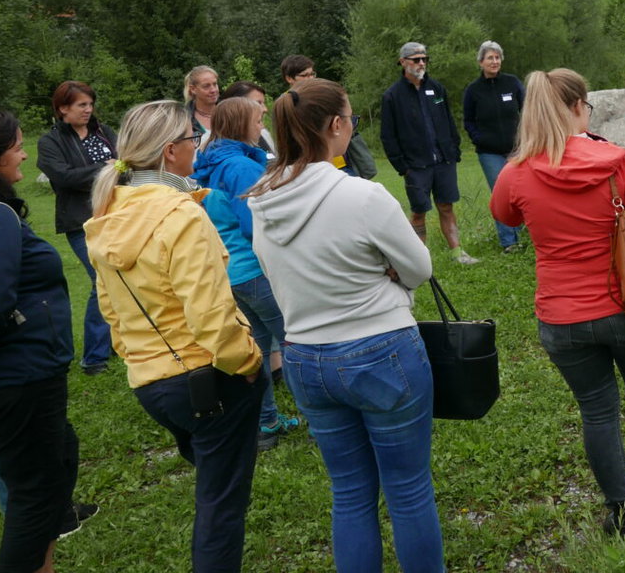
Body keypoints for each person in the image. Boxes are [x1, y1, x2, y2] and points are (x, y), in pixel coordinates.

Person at [248, 79, 443, 573]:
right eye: (351, 118)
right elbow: (419, 267)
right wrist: (388, 272)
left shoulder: (261, 201)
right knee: (408, 488)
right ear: (336, 126)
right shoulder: (363, 195)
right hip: (381, 349)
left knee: (351, 493)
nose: (352, 126)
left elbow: (273, 272)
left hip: (305, 357)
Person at [490, 69, 625, 539]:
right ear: (580, 107)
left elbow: (504, 215)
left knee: (597, 413)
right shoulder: (616, 160)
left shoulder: (516, 172)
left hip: (563, 318)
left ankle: (620, 516)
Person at [85, 101, 264, 573]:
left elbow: (111, 310)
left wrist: (138, 362)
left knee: (213, 488)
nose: (197, 146)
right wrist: (248, 364)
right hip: (209, 376)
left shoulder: (106, 216)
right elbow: (210, 314)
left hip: (152, 383)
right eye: (192, 139)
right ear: (170, 152)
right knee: (221, 508)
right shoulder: (181, 216)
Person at [0, 107, 83, 573]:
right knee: (33, 499)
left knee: (60, 457)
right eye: (16, 146)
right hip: (20, 377)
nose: (24, 152)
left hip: (24, 374)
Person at [193, 98, 301, 451]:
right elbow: (256, 223)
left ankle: (266, 424)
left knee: (256, 348)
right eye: (258, 119)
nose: (263, 123)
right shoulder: (239, 166)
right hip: (255, 268)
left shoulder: (213, 159)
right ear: (242, 124)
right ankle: (321, 418)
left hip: (231, 272)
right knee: (296, 342)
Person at [35, 81, 118, 376]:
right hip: (80, 221)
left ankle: (116, 344)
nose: (88, 110)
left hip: (115, 214)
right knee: (102, 279)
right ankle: (94, 358)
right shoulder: (50, 142)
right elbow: (64, 177)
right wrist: (107, 169)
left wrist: (116, 167)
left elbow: (126, 163)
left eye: (90, 104)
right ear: (63, 109)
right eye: (81, 105)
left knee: (119, 278)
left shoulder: (104, 132)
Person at [380, 42, 477, 264]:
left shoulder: (437, 88)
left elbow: (448, 120)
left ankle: (457, 253)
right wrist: (402, 166)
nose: (421, 63)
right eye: (416, 59)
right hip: (415, 166)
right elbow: (388, 135)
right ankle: (419, 260)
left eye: (424, 59)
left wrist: (454, 149)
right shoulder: (392, 96)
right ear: (403, 62)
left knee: (446, 206)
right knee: (419, 211)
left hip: (444, 160)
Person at [462, 40, 525, 253]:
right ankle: (509, 242)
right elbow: (468, 121)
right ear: (481, 62)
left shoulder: (512, 83)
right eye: (490, 58)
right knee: (501, 194)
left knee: (522, 192)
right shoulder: (473, 90)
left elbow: (527, 111)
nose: (494, 61)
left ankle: (527, 234)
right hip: (490, 153)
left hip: (517, 149)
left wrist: (525, 138)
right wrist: (479, 139)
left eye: (497, 57)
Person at [283, 55, 377, 179]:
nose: (310, 78)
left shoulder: (324, 95)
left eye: (312, 74)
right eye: (305, 75)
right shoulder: (286, 103)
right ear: (289, 78)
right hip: (310, 167)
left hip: (340, 163)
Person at [219, 81, 276, 155]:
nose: (265, 109)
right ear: (236, 106)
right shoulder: (223, 149)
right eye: (258, 103)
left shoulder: (263, 133)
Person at [184, 66, 220, 149]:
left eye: (215, 84)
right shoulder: (184, 119)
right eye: (206, 86)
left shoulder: (230, 112)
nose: (213, 90)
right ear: (193, 89)